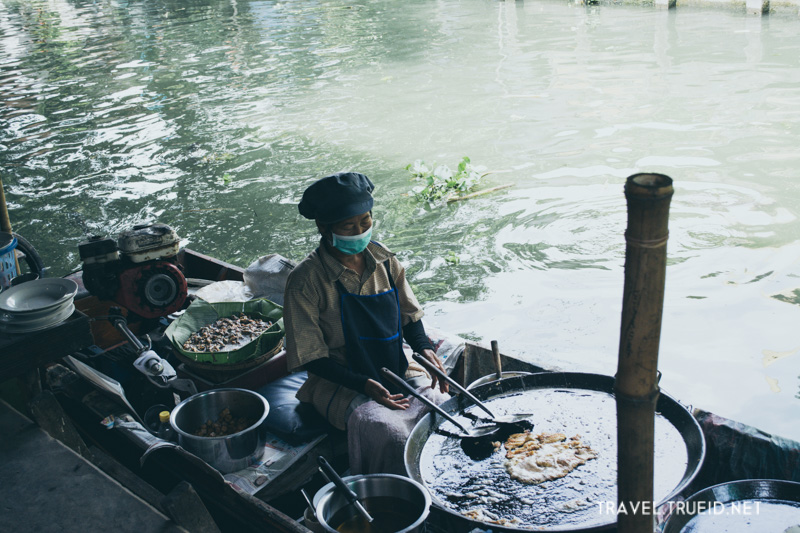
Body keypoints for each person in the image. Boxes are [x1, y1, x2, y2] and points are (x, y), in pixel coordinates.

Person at [283, 171, 449, 474]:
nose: (359, 231)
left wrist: (424, 350)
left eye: (366, 221)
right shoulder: (304, 281)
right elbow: (311, 357)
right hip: (340, 381)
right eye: (348, 226)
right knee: (390, 433)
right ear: (323, 227)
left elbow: (410, 316)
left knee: (443, 409)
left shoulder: (385, 262)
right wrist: (362, 384)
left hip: (396, 365)